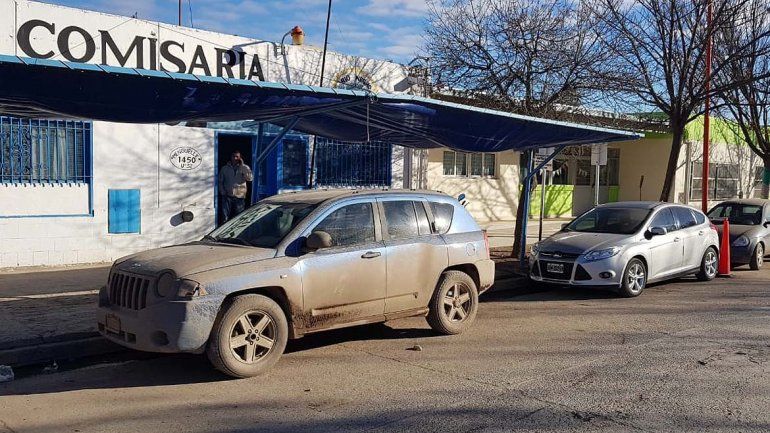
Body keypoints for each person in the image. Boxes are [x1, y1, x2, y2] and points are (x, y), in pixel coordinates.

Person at [219, 151, 253, 223]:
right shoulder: (224, 168)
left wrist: (243, 166)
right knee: (225, 217)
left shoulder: (244, 167)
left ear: (240, 158)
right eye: (233, 156)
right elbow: (220, 181)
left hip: (239, 196)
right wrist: (222, 191)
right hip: (227, 195)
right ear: (231, 157)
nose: (235, 158)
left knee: (239, 217)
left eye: (237, 156)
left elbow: (249, 179)